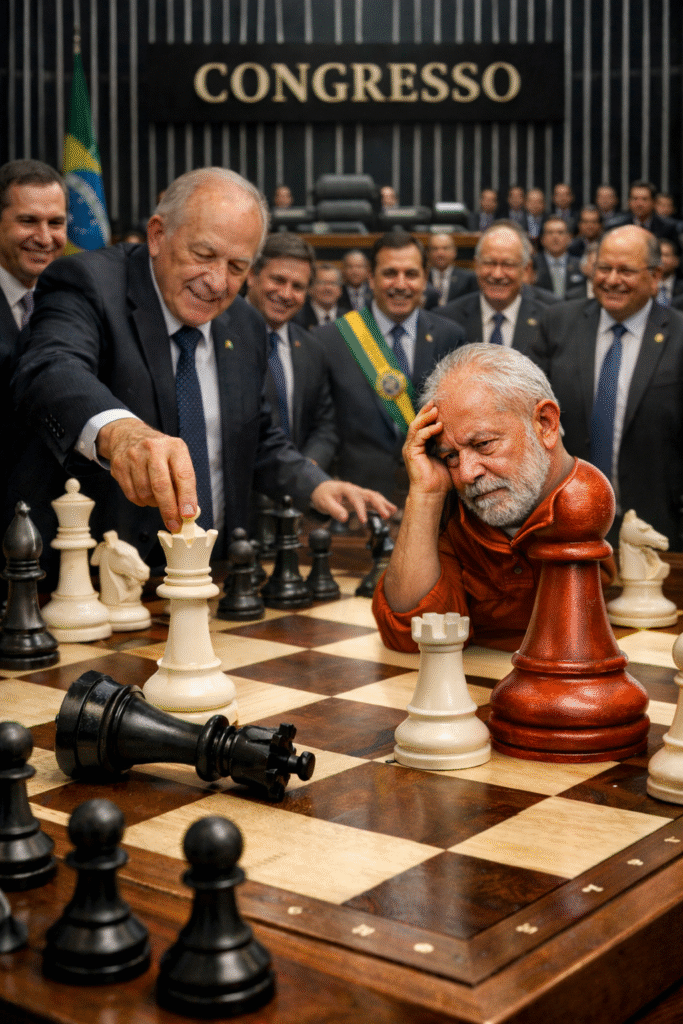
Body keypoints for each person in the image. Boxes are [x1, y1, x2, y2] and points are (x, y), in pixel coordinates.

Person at [12, 167, 392, 570]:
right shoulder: (89, 282)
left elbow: (256, 436)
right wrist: (119, 431)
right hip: (107, 576)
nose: (217, 282)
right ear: (158, 235)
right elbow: (51, 369)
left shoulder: (245, 324)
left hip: (218, 574)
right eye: (204, 255)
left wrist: (316, 486)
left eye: (237, 267)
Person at [371, 344, 597, 653]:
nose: (466, 474)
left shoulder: (594, 505)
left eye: (484, 444)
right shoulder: (455, 518)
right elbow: (412, 636)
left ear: (545, 423)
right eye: (451, 456)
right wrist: (426, 493)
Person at [530, 225, 683, 549]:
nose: (612, 280)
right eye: (604, 268)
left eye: (626, 271)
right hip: (566, 519)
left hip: (656, 523)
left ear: (655, 277)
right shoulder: (557, 323)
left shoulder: (679, 336)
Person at [313, 230, 466, 501]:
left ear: (425, 279)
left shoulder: (450, 336)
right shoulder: (330, 340)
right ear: (371, 279)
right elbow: (323, 426)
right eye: (390, 273)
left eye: (411, 274)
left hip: (434, 498)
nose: (400, 284)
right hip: (357, 500)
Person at [0, 159, 67, 544]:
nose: (44, 237)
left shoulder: (76, 303)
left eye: (55, 223)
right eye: (28, 221)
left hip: (58, 531)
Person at [246, 234, 338, 472]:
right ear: (252, 275)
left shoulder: (313, 348)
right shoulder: (217, 335)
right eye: (278, 280)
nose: (286, 294)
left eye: (298, 287)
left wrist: (307, 470)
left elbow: (325, 426)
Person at [438, 221, 548, 355]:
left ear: (526, 269)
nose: (497, 274)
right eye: (489, 263)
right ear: (476, 265)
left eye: (508, 264)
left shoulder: (548, 322)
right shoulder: (446, 320)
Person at [606, 180, 680, 245]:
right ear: (629, 201)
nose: (639, 204)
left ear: (653, 202)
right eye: (635, 199)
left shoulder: (668, 227)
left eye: (644, 199)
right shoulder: (617, 227)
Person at [533, 216, 586, 299]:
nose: (555, 237)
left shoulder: (580, 265)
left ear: (569, 238)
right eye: (550, 233)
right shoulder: (533, 264)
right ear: (542, 239)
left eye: (560, 232)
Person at [423, 232, 477, 309]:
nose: (440, 253)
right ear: (428, 253)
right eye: (435, 249)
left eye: (445, 248)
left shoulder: (468, 278)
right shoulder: (422, 277)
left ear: (454, 252)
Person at [293, 262, 350, 330]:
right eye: (322, 283)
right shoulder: (296, 318)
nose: (328, 288)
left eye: (333, 283)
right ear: (310, 288)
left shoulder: (351, 319)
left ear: (340, 289)